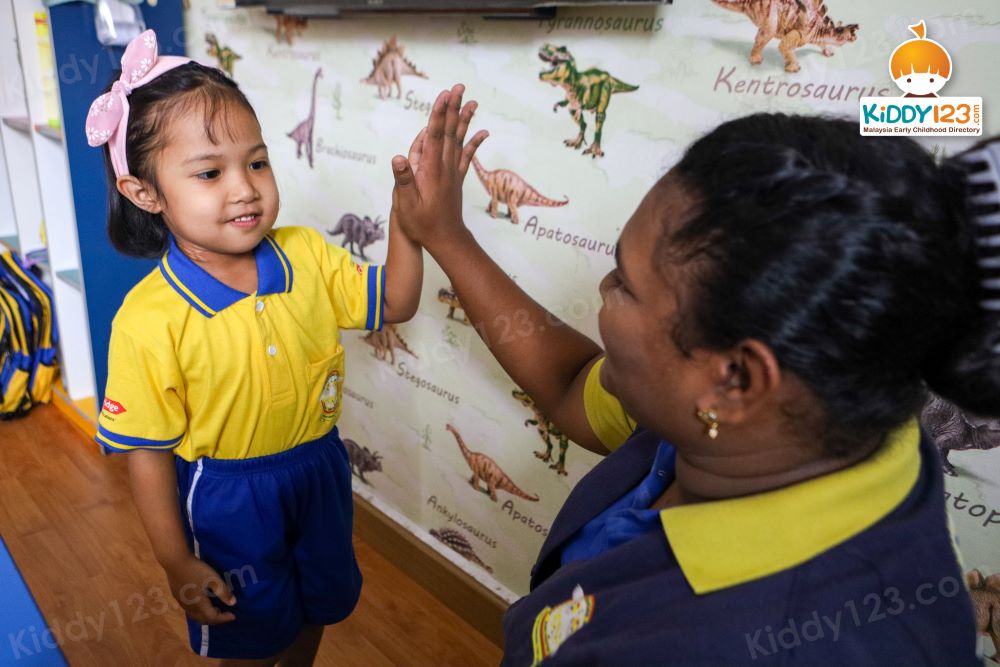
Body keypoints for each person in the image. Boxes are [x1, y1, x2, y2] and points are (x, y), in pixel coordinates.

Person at [390, 84, 996, 665]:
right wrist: (447, 235)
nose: (602, 288)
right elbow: (574, 386)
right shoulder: (804, 417)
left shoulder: (770, 644)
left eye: (625, 283)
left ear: (736, 381)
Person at [85, 31, 424, 665]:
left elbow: (396, 302)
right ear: (146, 194)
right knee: (247, 628)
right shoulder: (147, 319)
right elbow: (148, 456)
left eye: (258, 162)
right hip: (229, 499)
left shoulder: (307, 254)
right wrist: (175, 560)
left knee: (314, 607)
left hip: (320, 471)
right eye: (210, 172)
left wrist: (410, 221)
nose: (244, 188)